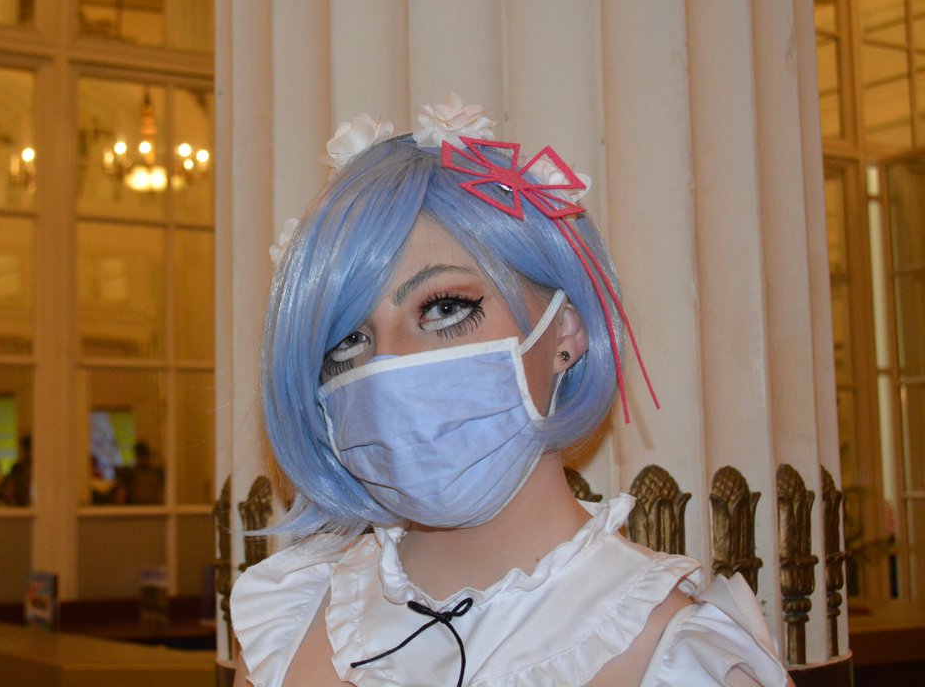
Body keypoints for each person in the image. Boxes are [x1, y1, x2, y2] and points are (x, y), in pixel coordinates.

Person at [230, 96, 790, 686]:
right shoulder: (288, 628)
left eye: (444, 308)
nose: (389, 363)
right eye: (348, 340)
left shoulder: (680, 658)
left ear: (564, 332)